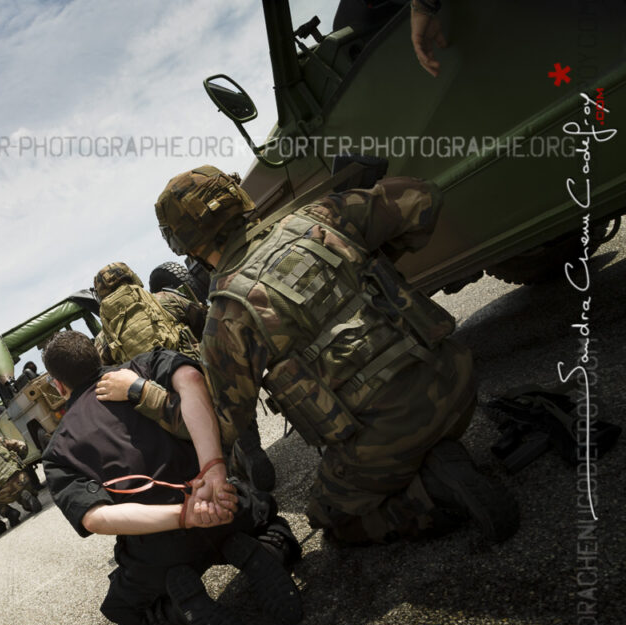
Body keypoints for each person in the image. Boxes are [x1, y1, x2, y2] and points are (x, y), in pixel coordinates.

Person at [154, 165, 519, 545]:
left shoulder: (228, 316)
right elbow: (422, 198)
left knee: (331, 520)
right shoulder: (322, 216)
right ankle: (430, 456)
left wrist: (142, 394)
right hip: (456, 378)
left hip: (384, 441)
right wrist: (376, 262)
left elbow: (222, 424)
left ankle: (434, 493)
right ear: (239, 200)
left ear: (189, 247)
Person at [40, 330, 302, 625]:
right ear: (96, 354)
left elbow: (95, 517)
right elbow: (192, 378)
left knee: (128, 619)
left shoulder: (58, 449)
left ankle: (179, 611)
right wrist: (212, 468)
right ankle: (263, 549)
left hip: (158, 547)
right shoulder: (144, 365)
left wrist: (185, 516)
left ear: (58, 385)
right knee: (267, 515)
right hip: (221, 502)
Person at [94, 261, 276, 492]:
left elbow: (108, 377)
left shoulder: (103, 339)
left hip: (157, 401)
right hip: (196, 378)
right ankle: (249, 450)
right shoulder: (166, 300)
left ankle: (217, 479)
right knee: (226, 399)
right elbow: (206, 323)